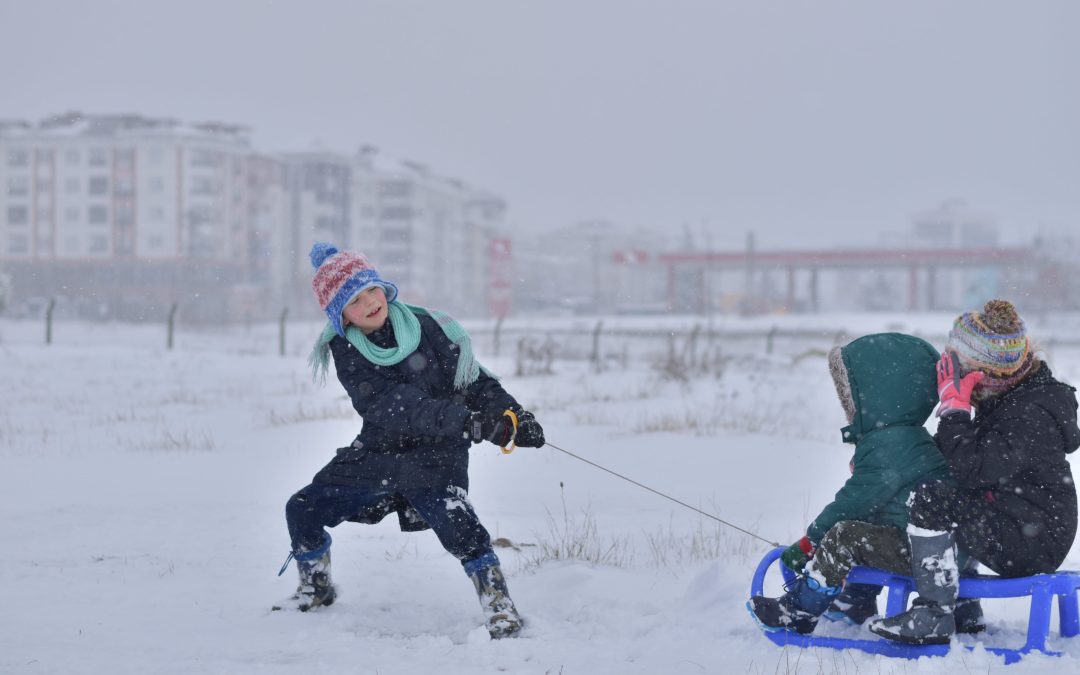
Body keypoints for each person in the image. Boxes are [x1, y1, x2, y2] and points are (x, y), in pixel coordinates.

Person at [278, 242, 546, 639]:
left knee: (461, 526)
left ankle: (497, 603)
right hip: (378, 451)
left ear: (383, 287)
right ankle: (316, 587)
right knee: (301, 508)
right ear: (340, 316)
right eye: (354, 300)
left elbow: (472, 380)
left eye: (371, 289)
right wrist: (470, 424)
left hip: (436, 454)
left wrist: (511, 415)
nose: (369, 302)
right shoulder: (344, 346)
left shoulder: (430, 327)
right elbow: (392, 405)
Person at [868, 299, 1079, 645]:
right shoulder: (1014, 397)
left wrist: (954, 410)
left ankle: (934, 614)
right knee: (947, 493)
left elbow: (972, 469)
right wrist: (892, 464)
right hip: (1018, 519)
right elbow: (957, 459)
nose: (956, 377)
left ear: (986, 373)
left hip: (1034, 541)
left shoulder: (1031, 414)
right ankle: (964, 606)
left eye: (961, 369)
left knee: (934, 501)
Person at [748, 332, 953, 634]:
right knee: (872, 525)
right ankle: (856, 600)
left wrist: (809, 542)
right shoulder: (907, 437)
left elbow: (852, 503)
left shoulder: (890, 444)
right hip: (941, 551)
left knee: (845, 536)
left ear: (877, 395)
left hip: (927, 555)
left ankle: (801, 610)